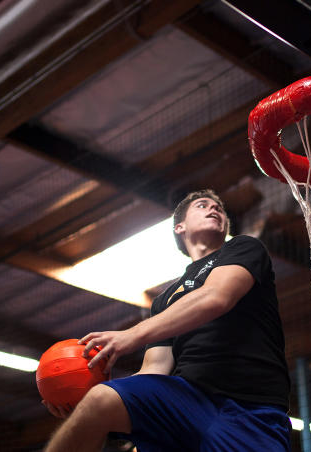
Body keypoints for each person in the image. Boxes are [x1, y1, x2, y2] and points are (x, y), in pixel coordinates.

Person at [43, 189, 292, 452]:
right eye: (202, 205)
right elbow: (155, 369)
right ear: (179, 227)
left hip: (249, 408)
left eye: (218, 207)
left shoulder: (242, 248)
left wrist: (132, 335)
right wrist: (81, 395)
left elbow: (217, 296)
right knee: (99, 400)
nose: (214, 209)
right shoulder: (165, 300)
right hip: (185, 400)